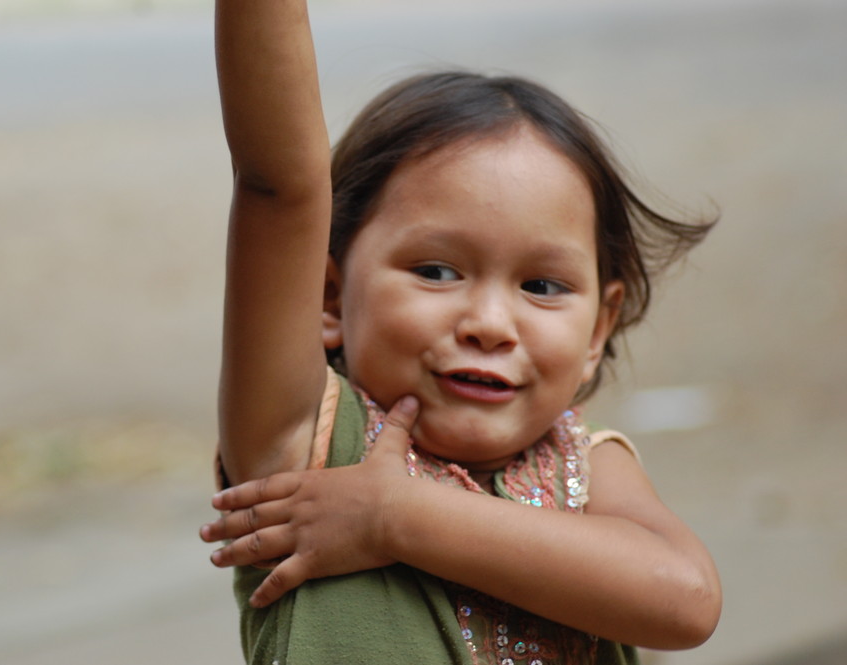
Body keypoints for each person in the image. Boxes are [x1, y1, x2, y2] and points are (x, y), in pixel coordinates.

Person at [201, 1, 722, 663]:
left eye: (541, 285)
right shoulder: (308, 442)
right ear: (327, 294)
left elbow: (687, 599)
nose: (488, 324)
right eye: (438, 270)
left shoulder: (590, 468)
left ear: (600, 326)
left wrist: (395, 516)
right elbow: (278, 186)